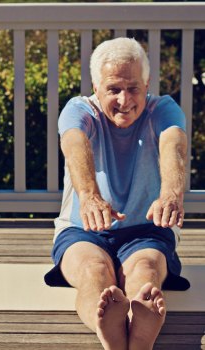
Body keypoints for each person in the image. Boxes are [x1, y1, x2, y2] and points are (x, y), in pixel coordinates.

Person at [44, 37, 190, 350]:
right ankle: (109, 328)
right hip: (84, 231)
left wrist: (171, 193)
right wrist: (89, 196)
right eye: (113, 89)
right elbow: (73, 143)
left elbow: (173, 144)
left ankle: (139, 333)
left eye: (133, 88)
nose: (125, 100)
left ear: (147, 83)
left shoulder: (163, 108)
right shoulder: (78, 110)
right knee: (93, 271)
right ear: (96, 87)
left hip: (147, 230)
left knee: (144, 270)